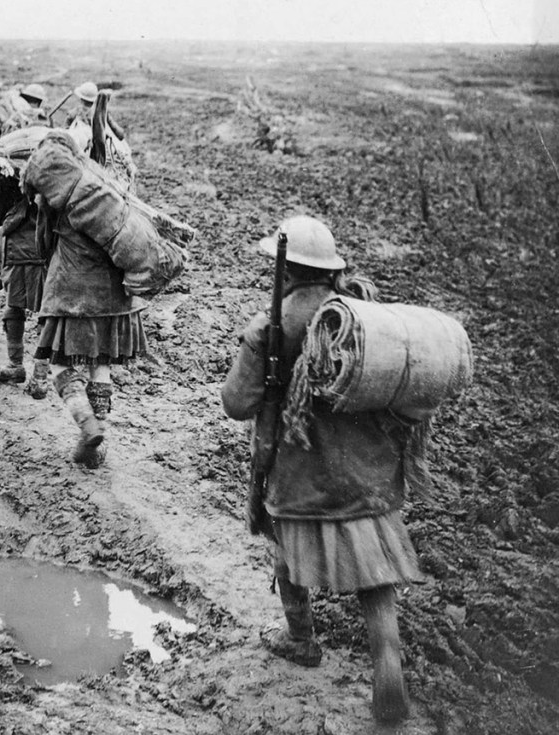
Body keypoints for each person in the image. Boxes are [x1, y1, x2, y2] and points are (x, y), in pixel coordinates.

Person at [220, 215, 421, 724]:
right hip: (368, 472)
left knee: (287, 550)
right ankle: (388, 666)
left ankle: (301, 639)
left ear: (286, 271)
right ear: (329, 269)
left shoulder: (271, 327)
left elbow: (236, 403)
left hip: (299, 472)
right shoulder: (359, 316)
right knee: (376, 574)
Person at [28, 135, 149, 468]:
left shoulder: (54, 198)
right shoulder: (105, 187)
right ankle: (96, 441)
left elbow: (42, 245)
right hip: (114, 296)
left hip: (73, 293)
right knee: (101, 364)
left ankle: (87, 425)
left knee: (59, 364)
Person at [0, 181, 50, 398]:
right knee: (47, 314)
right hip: (47, 253)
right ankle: (40, 376)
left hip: (18, 253)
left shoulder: (10, 180)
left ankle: (15, 365)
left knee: (14, 308)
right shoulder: (57, 179)